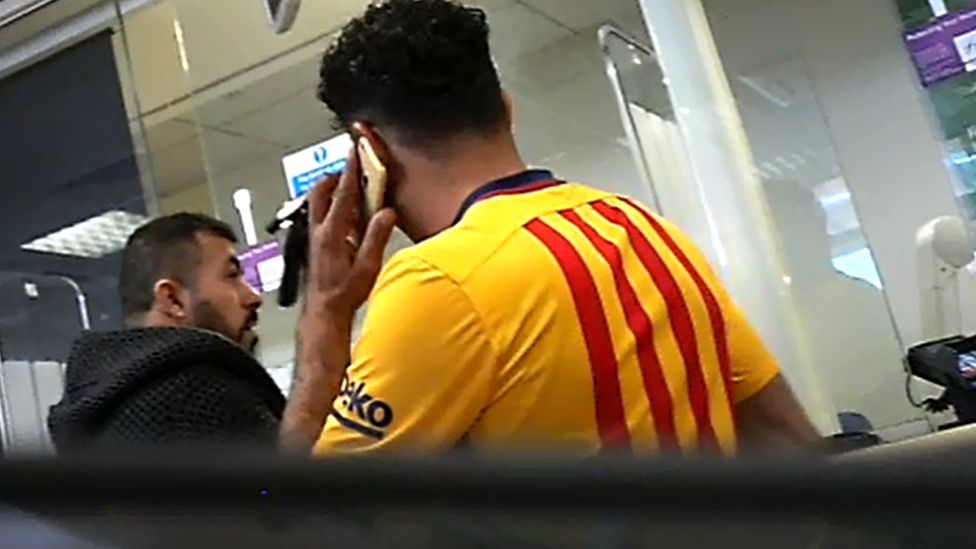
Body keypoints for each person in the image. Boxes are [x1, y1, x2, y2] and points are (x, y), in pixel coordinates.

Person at [298, 0, 819, 454]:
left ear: (369, 150)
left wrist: (324, 320)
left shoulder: (436, 282)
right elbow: (787, 436)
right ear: (506, 110)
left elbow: (301, 522)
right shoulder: (652, 233)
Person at [47, 213, 346, 454]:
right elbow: (282, 509)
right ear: (172, 299)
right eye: (232, 276)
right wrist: (320, 348)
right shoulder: (194, 395)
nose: (253, 296)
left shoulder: (107, 412)